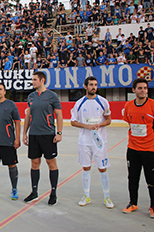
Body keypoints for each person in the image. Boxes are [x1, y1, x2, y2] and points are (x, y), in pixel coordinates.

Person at [122, 78, 154, 219]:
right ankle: (133, 203)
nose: (143, 91)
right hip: (133, 149)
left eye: (145, 88)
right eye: (140, 88)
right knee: (133, 177)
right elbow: (130, 123)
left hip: (150, 150)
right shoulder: (128, 106)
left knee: (152, 179)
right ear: (134, 90)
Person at [70, 76, 114, 209]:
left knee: (102, 168)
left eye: (95, 85)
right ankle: (86, 196)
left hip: (99, 142)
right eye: (91, 85)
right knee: (86, 167)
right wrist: (86, 126)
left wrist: (99, 125)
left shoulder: (103, 102)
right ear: (85, 87)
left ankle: (107, 197)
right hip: (84, 142)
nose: (93, 87)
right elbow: (73, 121)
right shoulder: (79, 103)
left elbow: (108, 120)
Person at [23, 71, 63, 206]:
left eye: (35, 80)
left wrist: (59, 133)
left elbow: (59, 115)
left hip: (48, 135)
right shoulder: (31, 96)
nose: (33, 82)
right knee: (34, 164)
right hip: (34, 134)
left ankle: (53, 193)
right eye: (32, 79)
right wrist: (25, 133)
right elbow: (28, 116)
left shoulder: (52, 96)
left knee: (51, 163)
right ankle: (34, 192)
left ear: (42, 80)